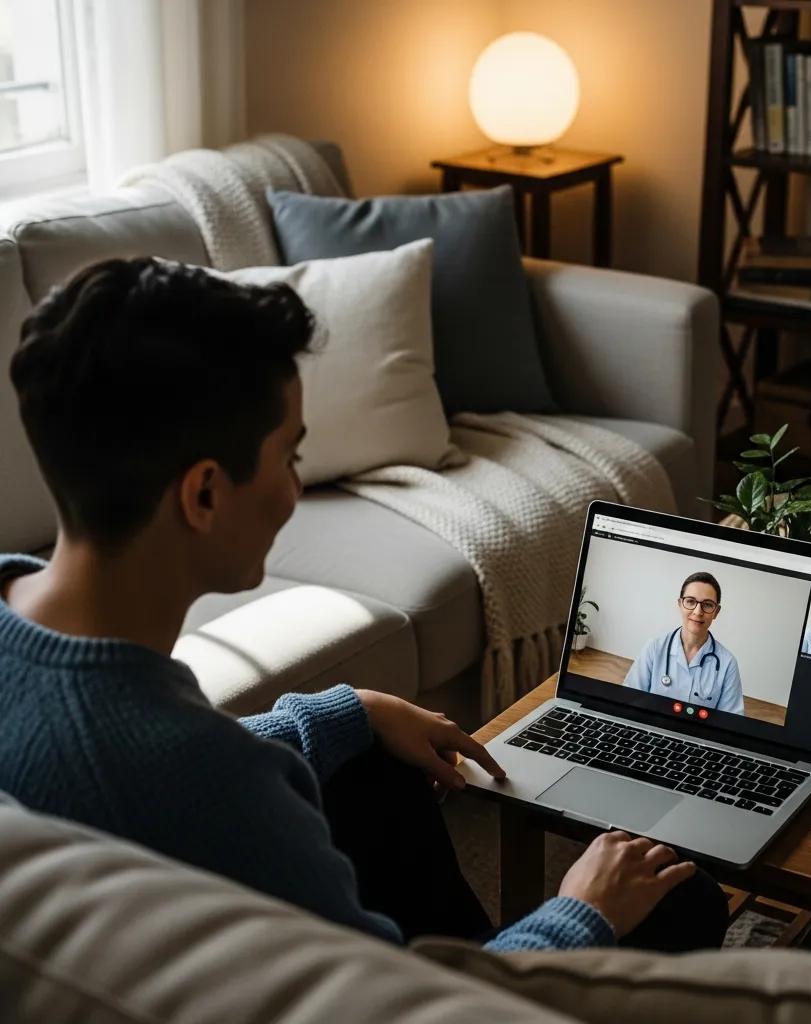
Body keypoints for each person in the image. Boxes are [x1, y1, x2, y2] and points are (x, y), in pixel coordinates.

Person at [0, 258, 727, 956]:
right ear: (204, 495)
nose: (295, 487)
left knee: (370, 761)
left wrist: (348, 711)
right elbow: (406, 1008)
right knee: (680, 897)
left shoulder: (21, 610)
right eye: (290, 457)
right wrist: (582, 911)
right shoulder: (221, 789)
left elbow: (146, 761)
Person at [624, 572, 744, 714]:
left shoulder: (727, 663)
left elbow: (731, 721)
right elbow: (628, 700)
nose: (698, 611)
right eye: (691, 601)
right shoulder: (655, 648)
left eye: (707, 605)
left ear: (716, 612)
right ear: (680, 604)